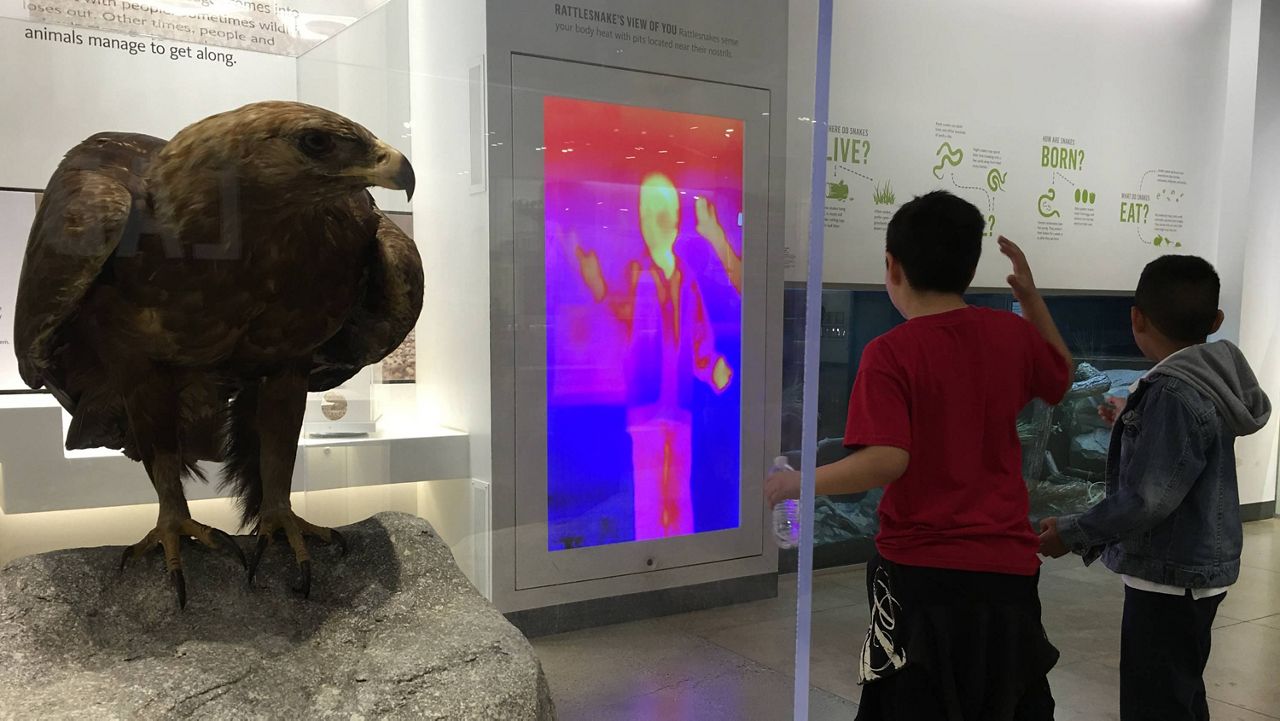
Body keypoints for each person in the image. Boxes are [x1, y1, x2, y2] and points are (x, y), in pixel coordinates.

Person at [766, 190, 1072, 720]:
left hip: (921, 573)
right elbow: (1060, 377)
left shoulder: (890, 353)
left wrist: (793, 483)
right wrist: (1031, 298)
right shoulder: (1011, 334)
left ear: (892, 265)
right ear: (971, 267)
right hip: (1007, 571)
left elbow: (887, 459)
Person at [1039, 255, 1270, 721]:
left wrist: (1072, 531)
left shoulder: (1171, 392)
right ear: (1216, 320)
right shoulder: (1210, 379)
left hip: (1169, 576)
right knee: (1182, 693)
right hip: (1198, 569)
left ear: (1136, 317)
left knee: (1155, 703)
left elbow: (1147, 498)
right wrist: (1132, 413)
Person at [572, 172, 737, 540]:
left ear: (676, 216)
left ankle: (679, 549)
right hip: (645, 405)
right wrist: (598, 287)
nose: (659, 220)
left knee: (678, 486)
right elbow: (619, 321)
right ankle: (649, 547)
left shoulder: (686, 277)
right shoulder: (634, 273)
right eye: (650, 211)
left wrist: (712, 369)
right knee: (649, 493)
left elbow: (698, 335)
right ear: (642, 219)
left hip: (679, 404)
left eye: (665, 210)